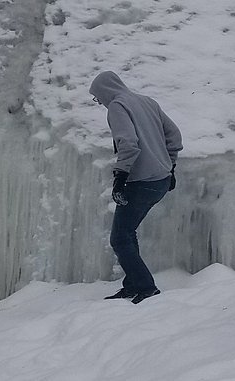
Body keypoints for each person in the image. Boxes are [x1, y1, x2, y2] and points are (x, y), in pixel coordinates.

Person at [89, 70, 183, 303]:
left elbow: (128, 143)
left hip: (141, 182)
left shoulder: (117, 106)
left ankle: (145, 287)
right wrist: (170, 167)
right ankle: (132, 284)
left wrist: (120, 177)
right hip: (161, 180)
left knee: (120, 238)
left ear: (105, 90)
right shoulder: (147, 101)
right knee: (127, 232)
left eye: (97, 97)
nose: (99, 101)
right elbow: (174, 136)